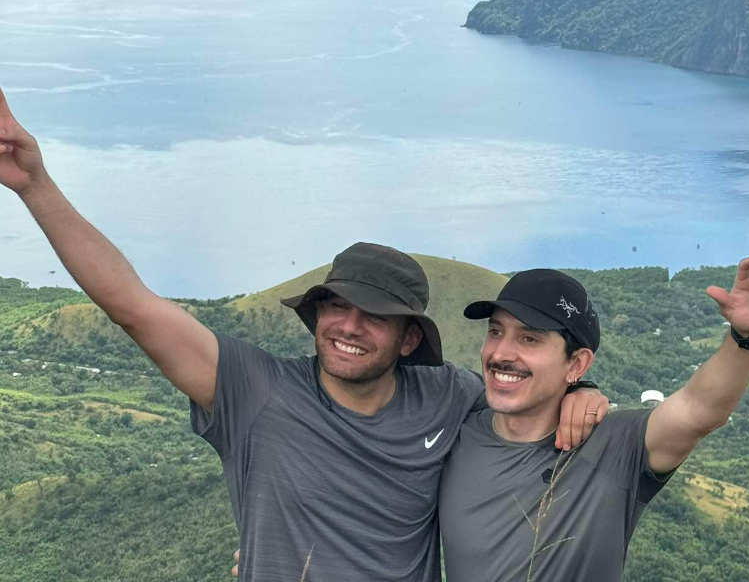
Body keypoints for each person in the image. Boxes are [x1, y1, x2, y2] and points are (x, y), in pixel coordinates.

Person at [0, 87, 607, 582]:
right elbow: (132, 306)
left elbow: (521, 390)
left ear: (409, 340)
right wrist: (34, 185)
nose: (347, 325)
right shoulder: (254, 391)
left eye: (374, 316)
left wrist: (585, 393)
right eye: (335, 305)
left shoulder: (449, 398)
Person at [439, 260, 749, 582]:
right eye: (496, 331)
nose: (500, 353)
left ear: (576, 365)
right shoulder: (454, 431)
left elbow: (698, 410)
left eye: (529, 338)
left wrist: (747, 339)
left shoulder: (614, 445)